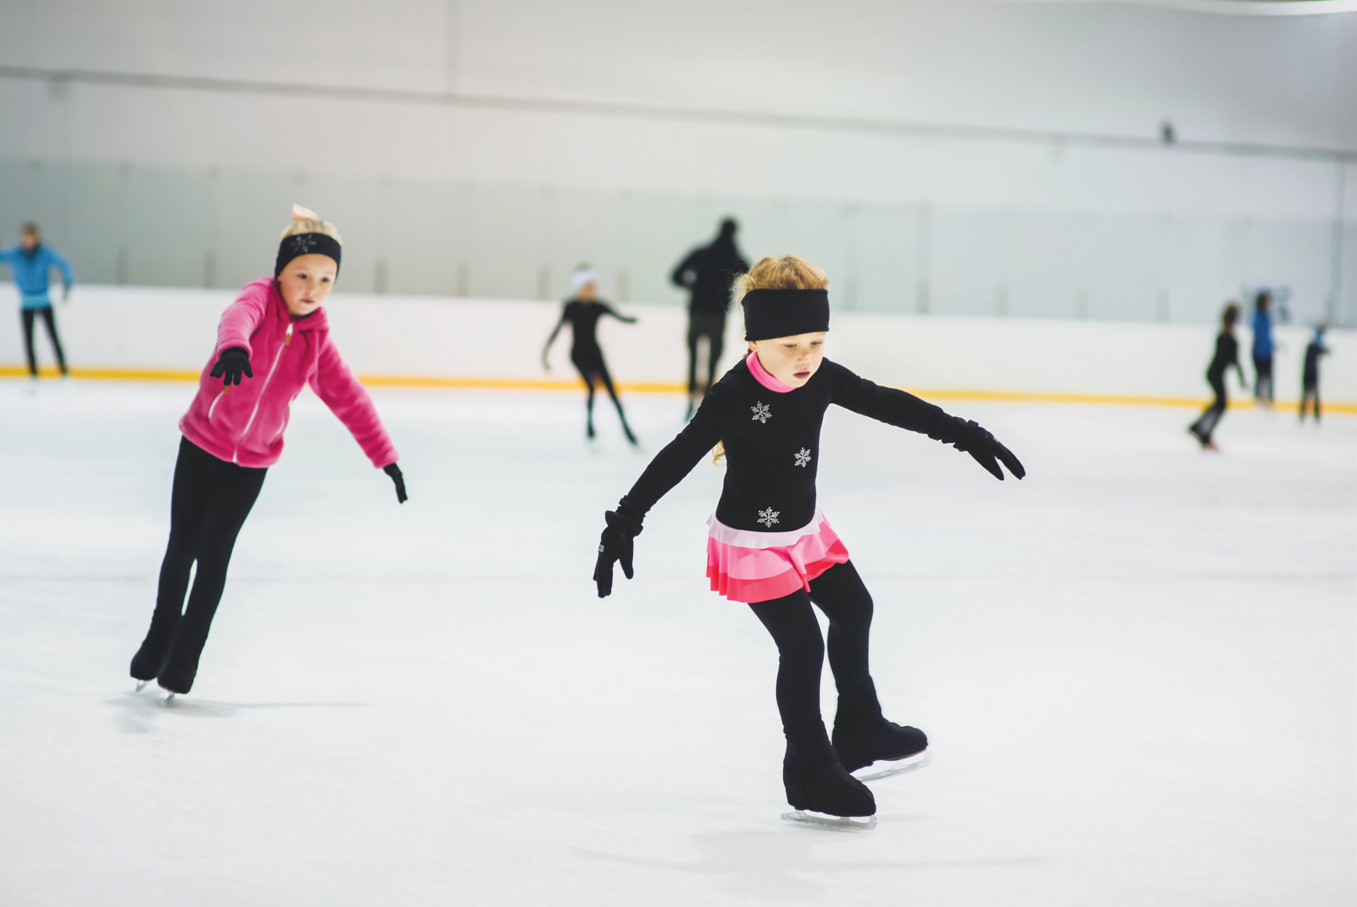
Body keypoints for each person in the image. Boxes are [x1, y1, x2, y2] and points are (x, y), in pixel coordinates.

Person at [592, 255, 1025, 824]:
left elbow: (883, 401)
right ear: (754, 342)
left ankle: (860, 729)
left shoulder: (820, 376)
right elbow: (680, 453)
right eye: (790, 345)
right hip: (752, 543)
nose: (805, 357)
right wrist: (626, 520)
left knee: (854, 609)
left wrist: (961, 433)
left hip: (804, 531)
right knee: (802, 647)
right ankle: (808, 769)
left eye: (816, 342)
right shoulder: (734, 393)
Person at [130, 205, 407, 696]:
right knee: (183, 547)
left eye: (326, 279)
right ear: (280, 272)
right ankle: (158, 638)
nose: (312, 288)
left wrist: (385, 456)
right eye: (302, 275)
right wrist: (235, 347)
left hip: (251, 464)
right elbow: (236, 318)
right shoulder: (259, 298)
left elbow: (350, 397)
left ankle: (186, 655)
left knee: (215, 557)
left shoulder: (316, 339)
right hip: (202, 444)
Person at [542, 265, 640, 445]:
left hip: (595, 353)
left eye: (594, 287)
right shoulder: (571, 307)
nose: (592, 291)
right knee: (592, 387)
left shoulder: (598, 306)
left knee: (612, 391)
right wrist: (545, 355)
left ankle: (627, 429)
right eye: (588, 287)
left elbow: (619, 316)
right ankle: (589, 426)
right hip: (578, 355)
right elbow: (556, 331)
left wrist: (631, 320)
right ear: (579, 288)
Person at [672, 219, 749, 418]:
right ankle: (705, 399)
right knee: (713, 359)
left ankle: (690, 400)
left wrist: (693, 287)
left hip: (697, 311)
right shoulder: (734, 257)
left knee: (693, 356)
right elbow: (749, 279)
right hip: (718, 313)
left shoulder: (701, 253)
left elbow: (676, 276)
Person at [0, 222, 74, 379]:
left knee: (53, 337)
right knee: (28, 340)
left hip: (44, 301)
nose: (28, 241)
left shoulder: (45, 253)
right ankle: (33, 374)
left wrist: (67, 282)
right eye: (25, 237)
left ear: (35, 237)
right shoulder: (16, 253)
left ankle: (64, 372)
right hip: (26, 303)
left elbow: (64, 263)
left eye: (30, 237)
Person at [1189, 302, 1247, 451]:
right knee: (1222, 404)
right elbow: (1233, 361)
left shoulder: (1223, 335)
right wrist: (1241, 378)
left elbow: (1229, 360)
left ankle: (1199, 428)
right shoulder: (1229, 338)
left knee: (1220, 404)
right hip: (1215, 374)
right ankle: (1204, 434)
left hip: (1213, 373)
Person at [1299, 323, 1329, 422]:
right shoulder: (1315, 346)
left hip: (1307, 372)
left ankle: (1305, 414)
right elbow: (1322, 349)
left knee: (1307, 394)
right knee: (1312, 394)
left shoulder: (1311, 346)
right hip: (1311, 372)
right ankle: (1312, 414)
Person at [1251, 291, 1275, 406]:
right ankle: (1259, 397)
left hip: (1267, 351)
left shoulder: (1267, 316)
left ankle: (1268, 398)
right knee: (1261, 375)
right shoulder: (1257, 316)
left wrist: (1272, 346)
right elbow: (1260, 335)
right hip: (1259, 351)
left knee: (1268, 376)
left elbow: (1268, 334)